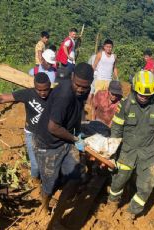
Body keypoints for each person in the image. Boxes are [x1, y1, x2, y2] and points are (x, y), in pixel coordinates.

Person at [107, 70, 154, 220]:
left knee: (147, 184)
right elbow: (116, 129)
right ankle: (112, 202)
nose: (143, 98)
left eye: (146, 95)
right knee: (119, 179)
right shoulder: (125, 104)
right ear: (134, 88)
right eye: (140, 94)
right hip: (127, 150)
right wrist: (111, 151)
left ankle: (131, 212)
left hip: (150, 151)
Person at [0, 73, 52, 184]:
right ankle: (35, 181)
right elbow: (2, 98)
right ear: (34, 86)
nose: (42, 93)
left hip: (49, 134)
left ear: (50, 85)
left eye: (45, 90)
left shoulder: (56, 95)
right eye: (39, 90)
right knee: (35, 165)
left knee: (50, 162)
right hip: (31, 133)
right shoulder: (27, 94)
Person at [33, 63, 94, 215]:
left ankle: (59, 209)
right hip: (48, 144)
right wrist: (75, 139)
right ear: (72, 77)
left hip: (65, 140)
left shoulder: (84, 91)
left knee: (75, 176)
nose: (80, 90)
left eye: (85, 87)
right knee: (49, 182)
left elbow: (78, 110)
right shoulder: (64, 94)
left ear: (91, 83)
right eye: (78, 85)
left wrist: (78, 132)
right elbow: (53, 127)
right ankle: (44, 208)